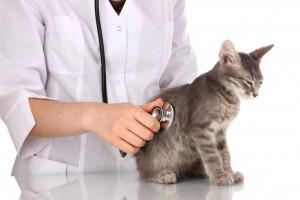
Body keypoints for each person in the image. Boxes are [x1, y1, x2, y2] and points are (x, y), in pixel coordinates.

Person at [0, 0, 198, 175]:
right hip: (56, 182)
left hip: (148, 178)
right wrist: (95, 116)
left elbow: (182, 87)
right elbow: (18, 106)